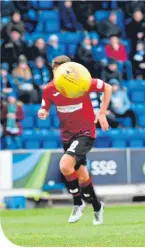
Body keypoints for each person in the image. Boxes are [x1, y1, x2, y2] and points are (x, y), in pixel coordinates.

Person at [37, 55, 112, 225]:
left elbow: (107, 87)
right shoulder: (49, 89)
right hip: (67, 135)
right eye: (56, 72)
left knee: (64, 165)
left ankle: (78, 203)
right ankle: (97, 206)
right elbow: (44, 108)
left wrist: (101, 113)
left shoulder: (83, 83)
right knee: (82, 176)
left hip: (85, 132)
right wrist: (43, 113)